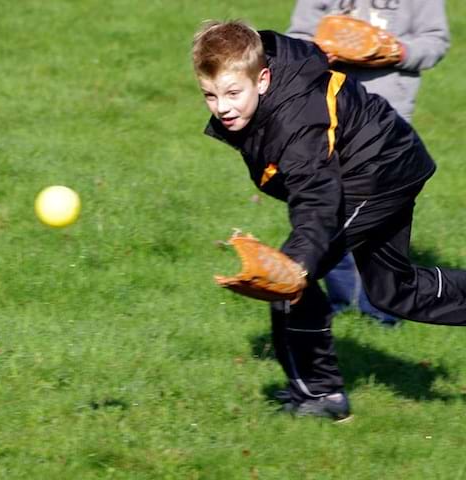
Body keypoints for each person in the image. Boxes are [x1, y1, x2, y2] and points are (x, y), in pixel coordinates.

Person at [191, 20, 466, 421]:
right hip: (389, 161)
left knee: (286, 283)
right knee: (394, 291)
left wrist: (299, 262)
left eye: (233, 93)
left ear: (262, 79)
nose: (223, 107)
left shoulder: (294, 121)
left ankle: (321, 395)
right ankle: (316, 390)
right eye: (210, 96)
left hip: (375, 174)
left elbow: (317, 193)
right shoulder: (262, 90)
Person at [286, 0, 450, 326]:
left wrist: (399, 51)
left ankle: (384, 309)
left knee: (383, 214)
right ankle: (342, 298)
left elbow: (436, 40)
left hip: (389, 118)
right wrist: (317, 52)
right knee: (334, 208)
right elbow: (297, 38)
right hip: (331, 112)